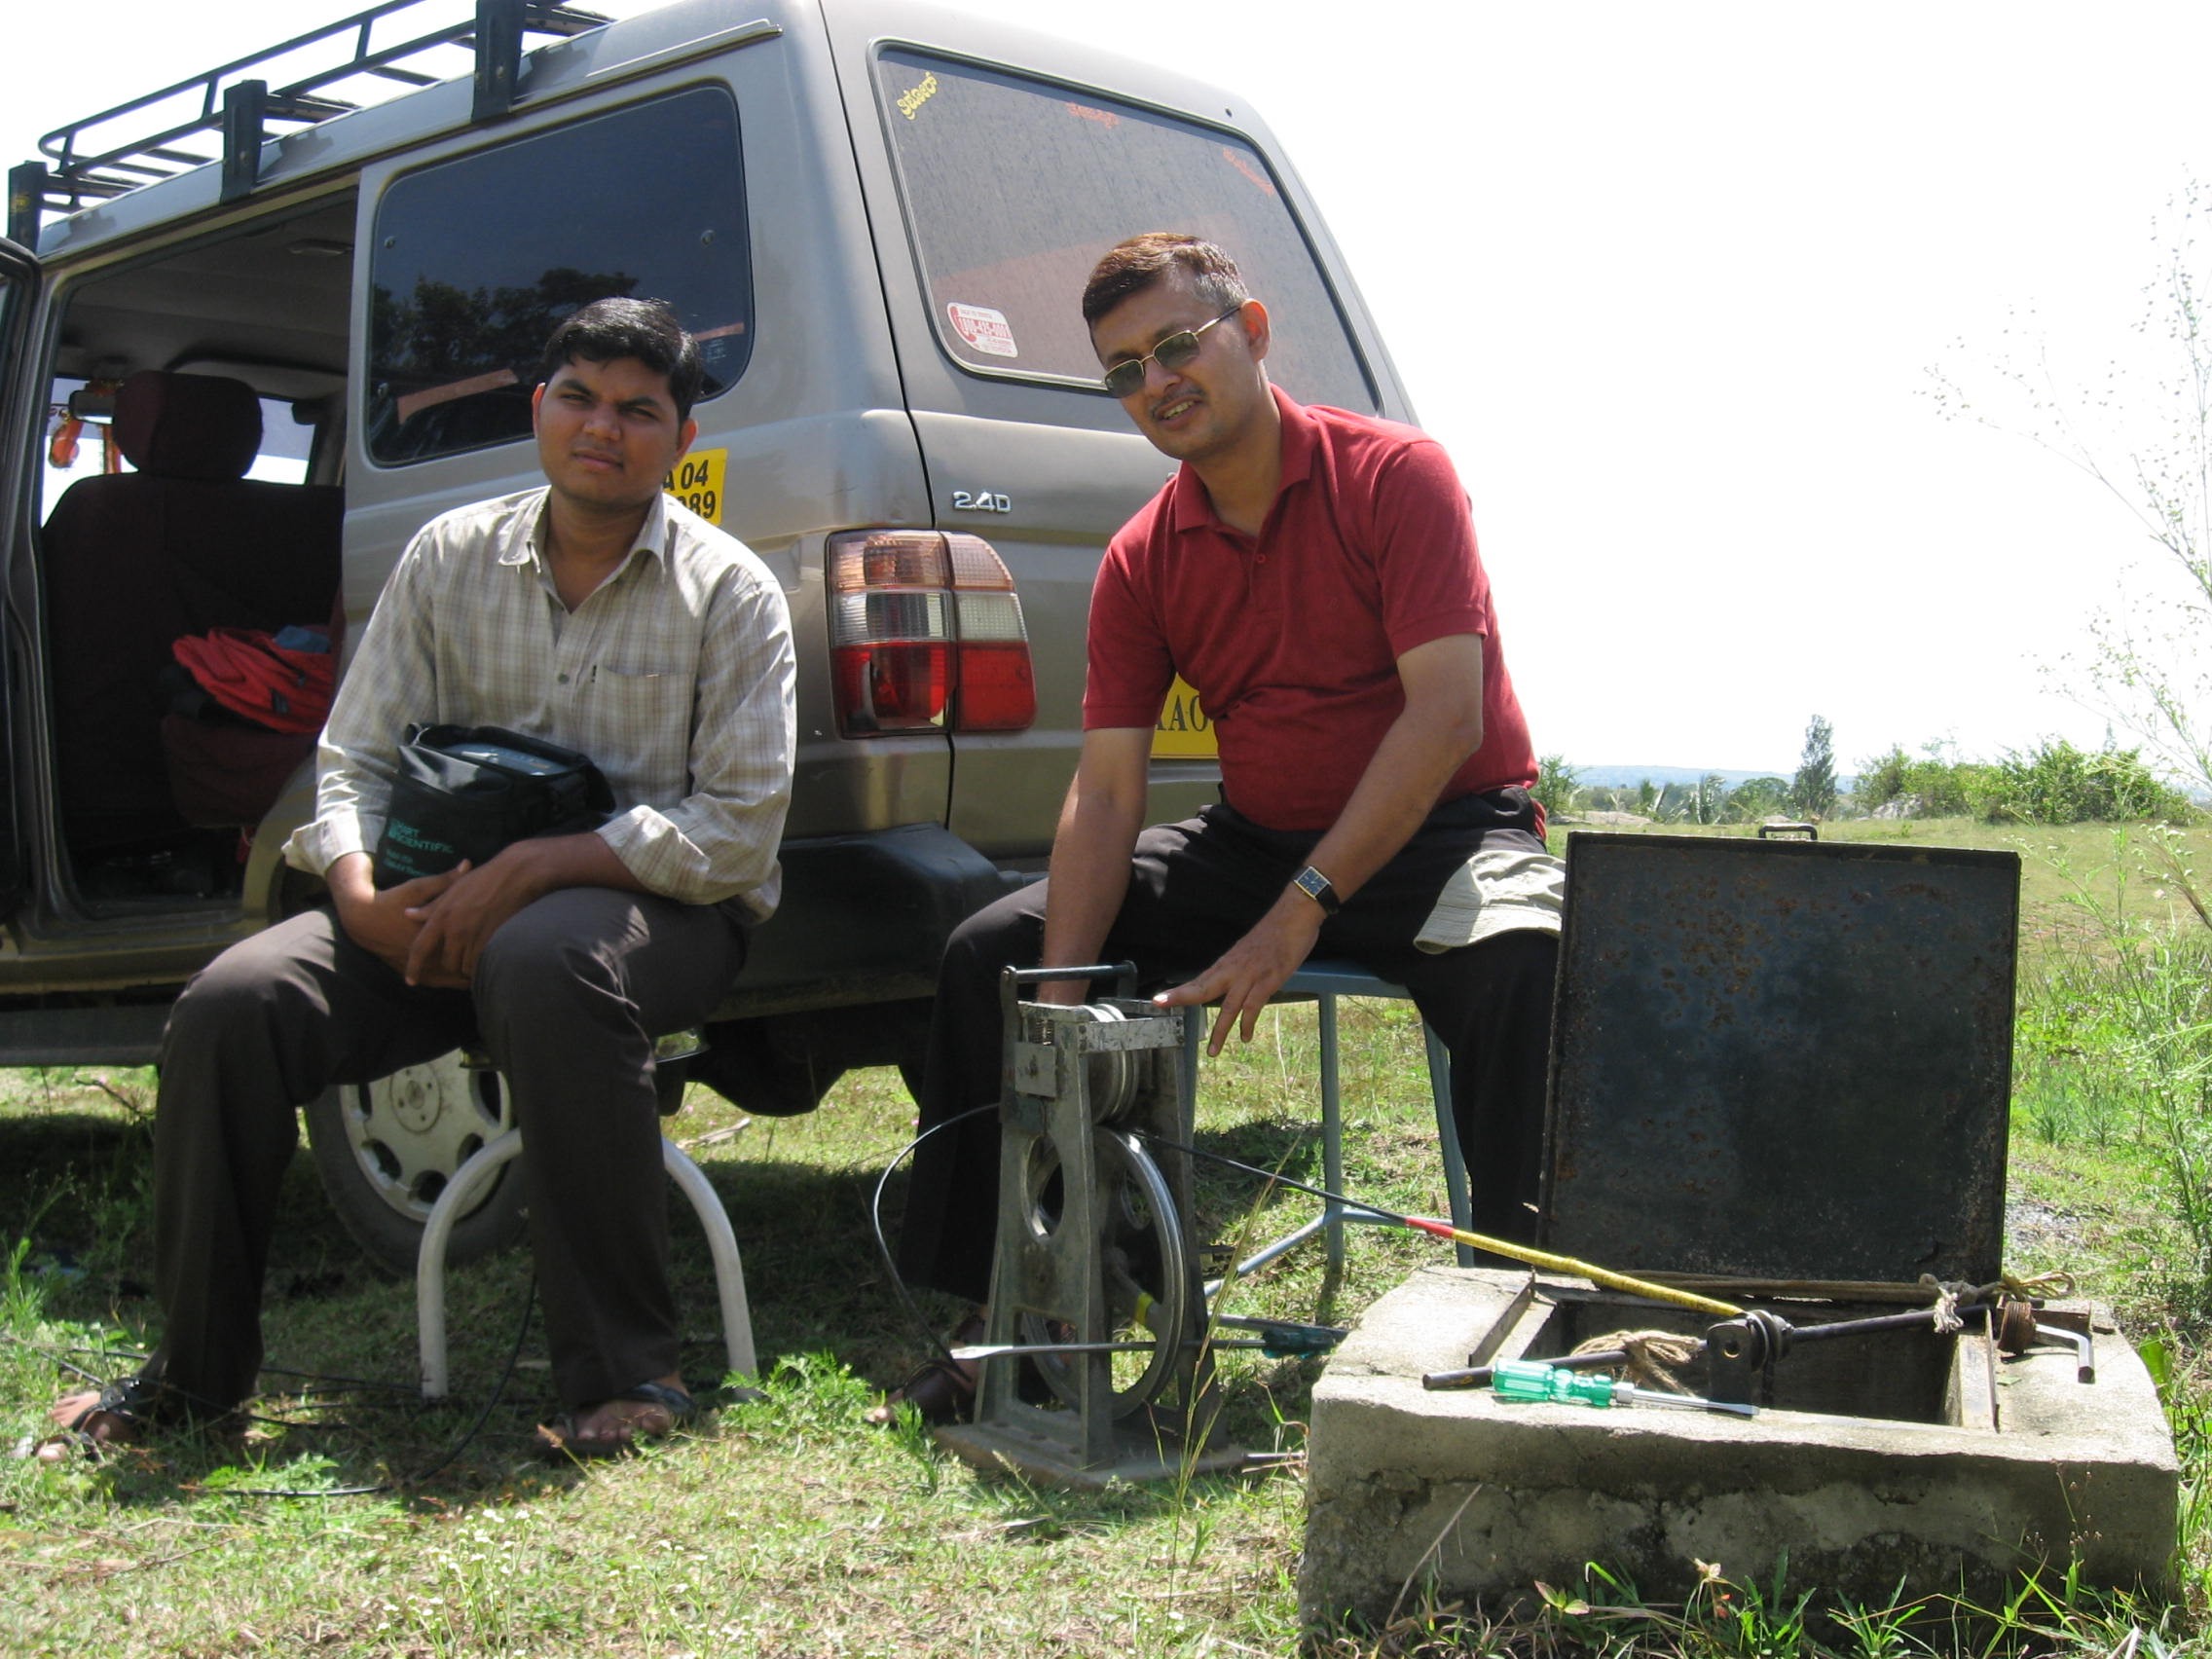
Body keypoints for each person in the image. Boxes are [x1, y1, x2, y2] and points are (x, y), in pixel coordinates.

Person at [50, 298, 796, 1456]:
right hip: (424, 915)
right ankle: (194, 1383)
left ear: (679, 440)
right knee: (231, 1007)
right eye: (578, 398)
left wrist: (537, 867)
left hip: (657, 921)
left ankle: (621, 1377)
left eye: (639, 410)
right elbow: (349, 759)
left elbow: (738, 831)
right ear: (538, 409)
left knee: (544, 956)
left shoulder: (730, 590)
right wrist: (351, 894)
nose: (604, 428)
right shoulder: (448, 558)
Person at [874, 235, 1562, 1423]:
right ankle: (1016, 1313)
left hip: (1451, 830)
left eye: (1176, 345)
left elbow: (1445, 719)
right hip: (1258, 836)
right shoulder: (1143, 555)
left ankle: (1527, 1304)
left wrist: (1295, 915)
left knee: (1525, 963)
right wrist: (1055, 1004)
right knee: (996, 949)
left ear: (1248, 330)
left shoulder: (1396, 475)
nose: (1156, 383)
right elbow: (1104, 792)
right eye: (1124, 368)